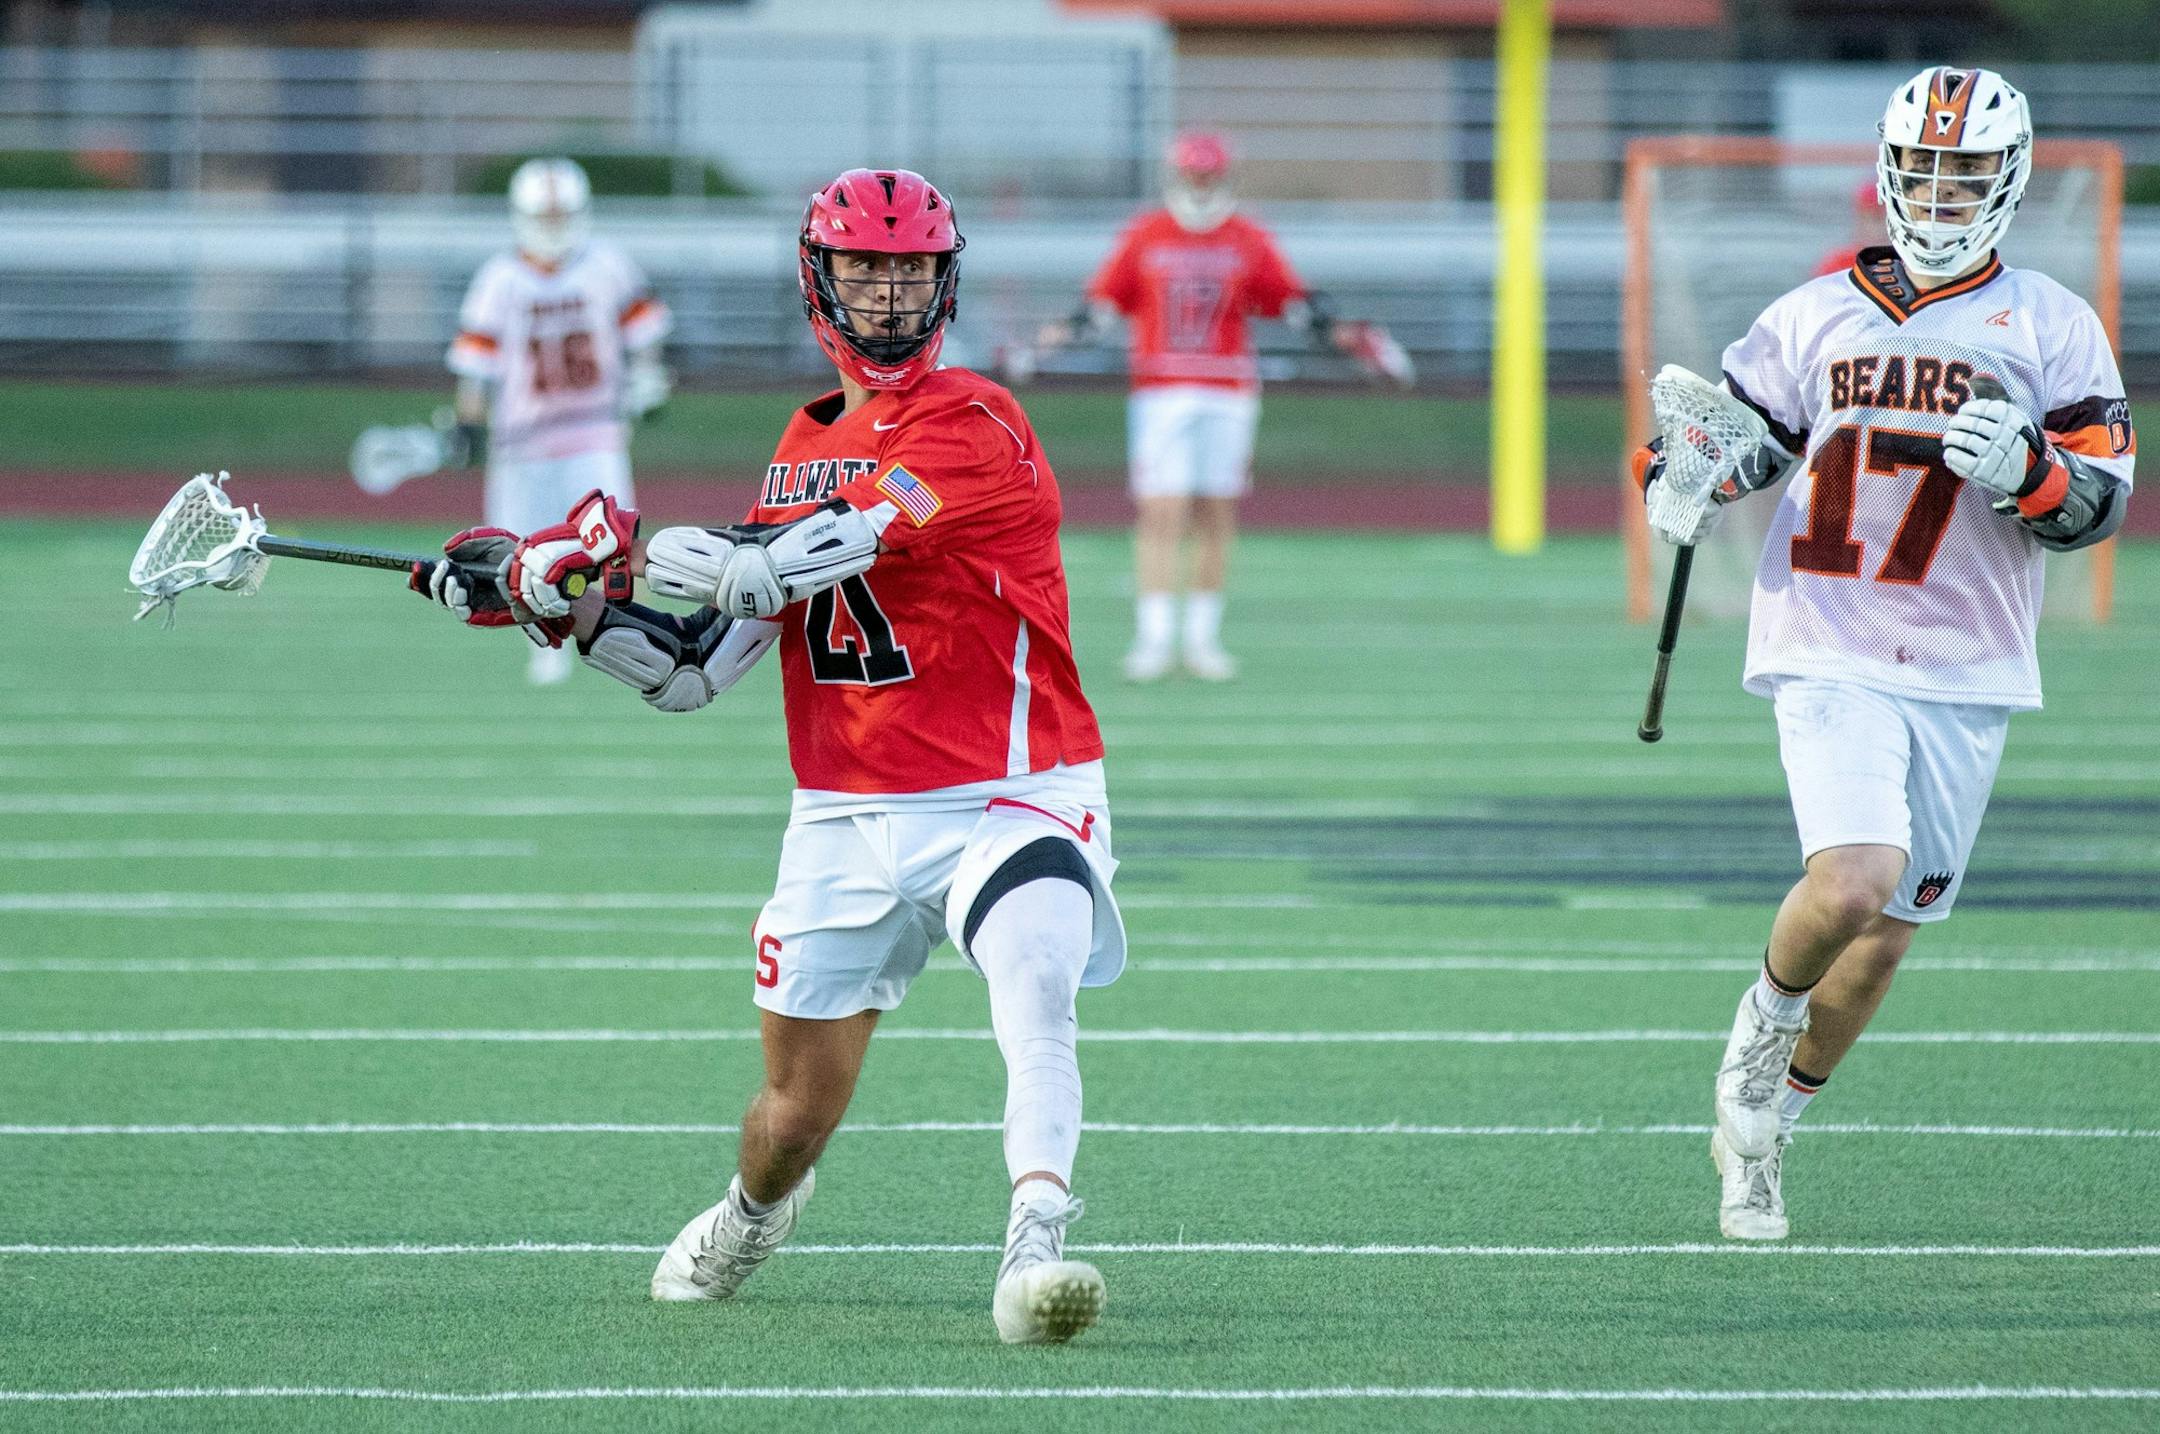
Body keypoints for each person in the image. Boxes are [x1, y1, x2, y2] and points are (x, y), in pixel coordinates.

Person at [417, 167, 1123, 1344]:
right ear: (821, 280)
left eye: (909, 273)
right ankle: (755, 1212)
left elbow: (794, 558)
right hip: (842, 810)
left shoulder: (979, 420)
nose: (890, 299)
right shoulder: (800, 441)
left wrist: (609, 552)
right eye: (865, 271)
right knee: (792, 1115)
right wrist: (559, 608)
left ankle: (1036, 1244)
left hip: (1011, 787)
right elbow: (694, 670)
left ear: (943, 284)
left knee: (1034, 984)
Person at [1631, 68, 2134, 1240]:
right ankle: (1756, 1039)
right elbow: (1736, 442)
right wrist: (1684, 476)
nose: (1940, 187)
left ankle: (1767, 1131)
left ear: (2005, 177)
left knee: (1888, 934)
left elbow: (2103, 500)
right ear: (1890, 165)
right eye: (1924, 164)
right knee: (1855, 875)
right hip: (1828, 632)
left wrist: (2034, 474)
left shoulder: (2054, 323)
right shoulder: (1813, 312)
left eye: (1965, 169)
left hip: (1968, 655)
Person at [1037, 131, 1404, 682]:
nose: (1201, 186)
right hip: (1162, 389)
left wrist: (1342, 333)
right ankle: (1155, 638)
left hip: (1227, 389)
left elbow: (1292, 301)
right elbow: (1104, 304)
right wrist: (1057, 336)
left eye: (1208, 176)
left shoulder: (1247, 236)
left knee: (1214, 512)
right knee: (1161, 511)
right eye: (1194, 176)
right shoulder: (1147, 233)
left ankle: (1202, 638)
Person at [446, 156, 673, 684]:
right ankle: (544, 646)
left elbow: (645, 340)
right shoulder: (500, 279)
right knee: (521, 552)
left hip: (593, 430)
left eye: (561, 216)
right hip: (524, 440)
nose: (554, 228)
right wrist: (468, 422)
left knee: (608, 546)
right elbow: (476, 371)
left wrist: (648, 381)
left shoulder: (606, 266)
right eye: (544, 218)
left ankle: (619, 635)